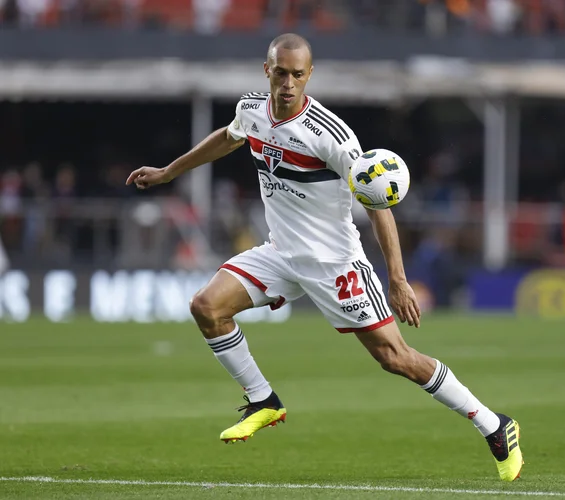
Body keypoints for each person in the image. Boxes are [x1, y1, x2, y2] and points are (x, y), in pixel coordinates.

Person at [125, 33, 522, 482]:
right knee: (206, 307)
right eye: (281, 73)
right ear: (267, 71)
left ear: (309, 75)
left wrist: (397, 277)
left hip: (336, 264)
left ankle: (494, 425)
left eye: (298, 74)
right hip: (281, 252)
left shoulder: (331, 137)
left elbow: (378, 204)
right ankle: (264, 401)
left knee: (396, 358)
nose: (288, 83)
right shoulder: (252, 109)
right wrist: (169, 171)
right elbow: (229, 137)